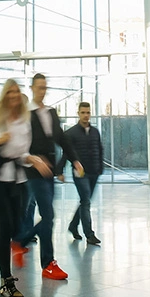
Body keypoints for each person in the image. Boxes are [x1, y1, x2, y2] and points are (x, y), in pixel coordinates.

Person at [0, 79, 53, 297]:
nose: (14, 95)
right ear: (5, 95)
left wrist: (32, 159)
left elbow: (21, 153)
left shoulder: (24, 121)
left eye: (17, 91)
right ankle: (6, 282)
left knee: (14, 229)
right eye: (10, 92)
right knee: (6, 228)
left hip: (18, 181)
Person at [13, 74, 81, 281]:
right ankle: (48, 263)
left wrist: (75, 160)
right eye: (39, 87)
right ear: (33, 88)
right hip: (34, 172)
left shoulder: (51, 112)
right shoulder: (26, 114)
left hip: (49, 172)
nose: (43, 91)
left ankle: (19, 242)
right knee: (49, 215)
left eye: (45, 87)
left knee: (48, 216)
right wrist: (33, 160)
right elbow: (19, 145)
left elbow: (62, 138)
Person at [58, 101, 104, 246]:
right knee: (86, 201)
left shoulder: (95, 132)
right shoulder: (71, 133)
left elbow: (100, 149)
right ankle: (89, 234)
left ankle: (73, 225)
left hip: (94, 171)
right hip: (80, 174)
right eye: (83, 112)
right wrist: (60, 171)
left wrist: (100, 167)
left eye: (88, 112)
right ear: (78, 113)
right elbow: (66, 154)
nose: (86, 115)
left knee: (85, 201)